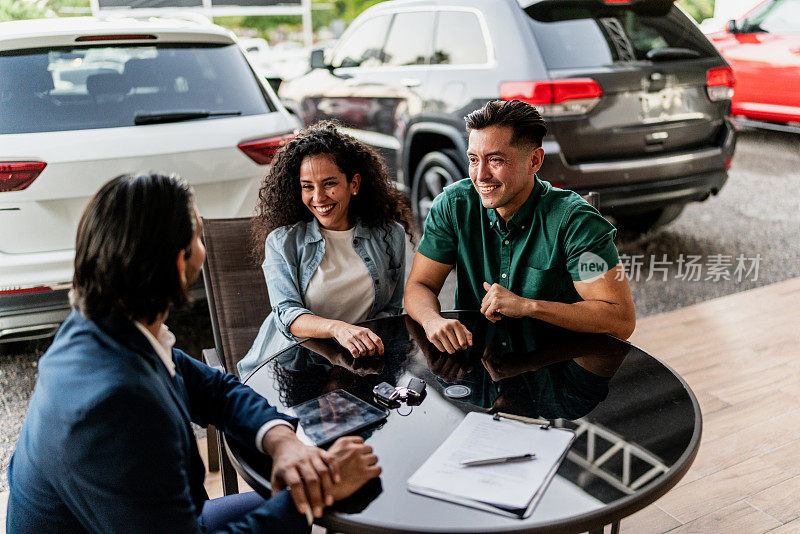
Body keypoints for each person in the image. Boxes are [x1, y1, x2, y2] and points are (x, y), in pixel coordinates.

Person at [6, 172, 381, 534]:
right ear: (179, 262)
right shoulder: (114, 405)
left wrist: (282, 441)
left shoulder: (102, 326)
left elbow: (216, 389)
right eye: (200, 236)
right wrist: (324, 488)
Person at [404, 99, 636, 354]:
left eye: (495, 160)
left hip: (557, 368)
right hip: (478, 367)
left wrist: (528, 306)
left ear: (534, 161)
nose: (480, 176)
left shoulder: (576, 222)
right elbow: (419, 285)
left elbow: (621, 320)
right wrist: (432, 320)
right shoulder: (452, 205)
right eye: (473, 159)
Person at [237, 121, 414, 377]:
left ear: (353, 184)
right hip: (291, 365)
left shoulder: (389, 235)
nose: (318, 198)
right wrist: (338, 329)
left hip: (359, 363)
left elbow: (391, 310)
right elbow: (287, 314)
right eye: (307, 186)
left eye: (329, 183)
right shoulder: (282, 242)